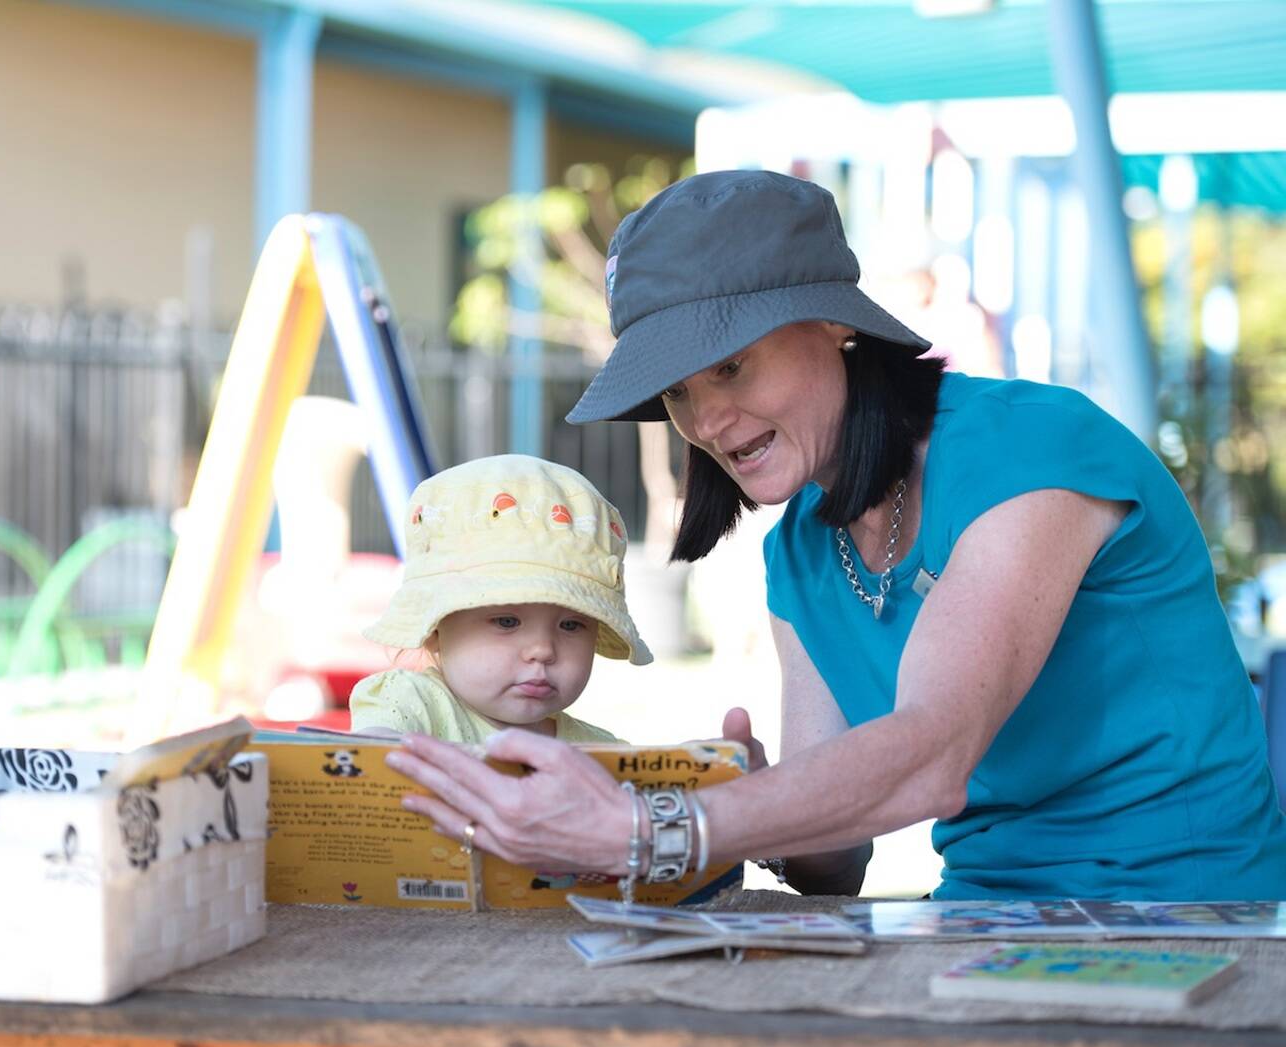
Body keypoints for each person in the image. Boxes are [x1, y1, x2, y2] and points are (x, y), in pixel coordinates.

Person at [384, 169, 1286, 902]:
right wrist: (739, 791)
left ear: (834, 321)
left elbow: (932, 757)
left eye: (730, 365)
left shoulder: (1029, 448)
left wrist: (651, 830)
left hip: (1197, 915)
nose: (707, 419)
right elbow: (838, 862)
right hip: (985, 919)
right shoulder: (799, 551)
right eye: (679, 393)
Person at [349, 453, 650, 745]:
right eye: (507, 621)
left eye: (571, 625)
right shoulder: (409, 704)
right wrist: (382, 748)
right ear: (434, 631)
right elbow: (370, 764)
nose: (542, 650)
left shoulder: (598, 754)